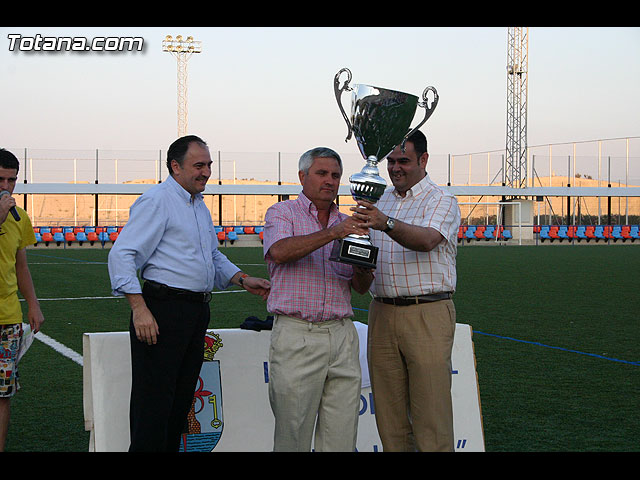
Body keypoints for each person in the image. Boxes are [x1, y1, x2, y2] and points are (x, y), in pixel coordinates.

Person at [108, 135, 270, 452]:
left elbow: (211, 257)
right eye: (199, 165)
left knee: (179, 406)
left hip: (194, 313)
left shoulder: (198, 205)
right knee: (153, 408)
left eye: (208, 164)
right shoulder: (157, 200)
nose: (206, 172)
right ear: (175, 166)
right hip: (163, 312)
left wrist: (242, 278)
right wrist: (140, 309)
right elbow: (122, 255)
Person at [353, 130, 461, 452]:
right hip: (382, 312)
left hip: (427, 313)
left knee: (432, 418)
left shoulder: (441, 200)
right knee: (390, 420)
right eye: (391, 161)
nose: (395, 168)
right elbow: (361, 285)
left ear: (423, 160)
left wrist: (385, 223)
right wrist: (356, 260)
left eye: (404, 160)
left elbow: (427, 240)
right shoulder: (378, 201)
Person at [263, 147, 373, 452]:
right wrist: (334, 233)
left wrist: (365, 265)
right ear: (302, 177)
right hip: (299, 334)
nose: (330, 181)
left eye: (335, 175)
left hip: (341, 334)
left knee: (341, 437)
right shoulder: (281, 213)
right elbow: (280, 252)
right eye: (321, 173)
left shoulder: (351, 223)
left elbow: (361, 286)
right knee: (293, 437)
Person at [0, 148, 45, 452]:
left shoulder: (20, 217)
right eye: (0, 179)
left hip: (7, 319)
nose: (6, 186)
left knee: (3, 394)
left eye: (11, 180)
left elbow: (21, 265)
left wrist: (33, 304)